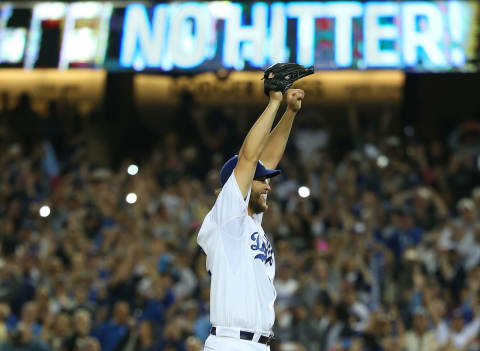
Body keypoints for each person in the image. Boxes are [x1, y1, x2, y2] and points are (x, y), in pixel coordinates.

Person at [197, 87, 305, 351]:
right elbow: (249, 158)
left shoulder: (248, 223)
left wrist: (289, 112)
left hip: (256, 343)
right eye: (261, 181)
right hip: (231, 342)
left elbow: (266, 158)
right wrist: (274, 102)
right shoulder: (227, 217)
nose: (268, 187)